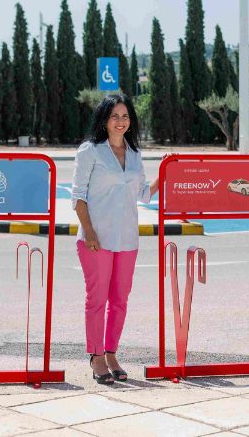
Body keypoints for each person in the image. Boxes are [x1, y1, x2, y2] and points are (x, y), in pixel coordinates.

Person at [71, 93, 158, 384]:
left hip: (127, 239)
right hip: (96, 239)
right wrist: (89, 231)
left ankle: (111, 353)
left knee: (120, 301)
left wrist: (166, 172)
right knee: (97, 300)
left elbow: (143, 193)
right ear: (104, 120)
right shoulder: (90, 151)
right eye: (114, 116)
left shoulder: (134, 154)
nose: (120, 121)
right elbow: (78, 196)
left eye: (125, 116)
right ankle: (96, 356)